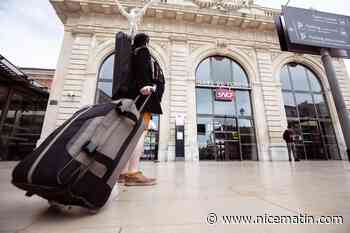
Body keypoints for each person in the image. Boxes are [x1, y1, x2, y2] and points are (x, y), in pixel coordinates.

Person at [117, 33, 164, 186]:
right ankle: (133, 172)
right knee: (139, 134)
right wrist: (146, 84)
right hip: (142, 99)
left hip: (129, 99)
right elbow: (144, 68)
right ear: (146, 42)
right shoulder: (142, 50)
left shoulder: (129, 53)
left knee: (128, 135)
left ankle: (123, 172)